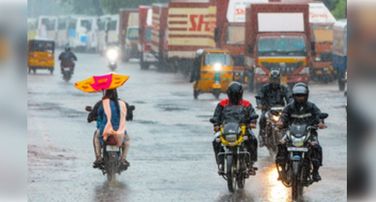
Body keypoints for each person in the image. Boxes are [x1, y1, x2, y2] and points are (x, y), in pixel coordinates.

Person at [275, 83, 327, 182]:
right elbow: (283, 117)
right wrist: (280, 123)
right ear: (294, 96)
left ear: (306, 95)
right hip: (291, 132)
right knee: (281, 144)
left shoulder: (312, 106)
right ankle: (282, 170)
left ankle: (315, 172)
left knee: (317, 147)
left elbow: (318, 115)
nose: (300, 98)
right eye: (298, 96)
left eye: (302, 95)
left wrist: (320, 123)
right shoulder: (289, 107)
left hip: (309, 133)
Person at [211, 82, 258, 175]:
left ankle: (251, 163)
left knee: (253, 139)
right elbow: (216, 115)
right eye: (232, 94)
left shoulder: (246, 104)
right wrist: (216, 124)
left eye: (236, 94)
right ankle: (220, 164)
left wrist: (252, 122)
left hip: (243, 129)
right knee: (215, 141)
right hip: (226, 129)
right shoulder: (222, 104)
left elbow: (253, 114)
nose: (234, 96)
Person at [92, 89, 130, 169]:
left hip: (106, 131)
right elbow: (127, 115)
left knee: (96, 137)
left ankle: (98, 158)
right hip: (120, 132)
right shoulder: (122, 103)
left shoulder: (103, 103)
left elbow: (99, 113)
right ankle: (123, 159)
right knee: (127, 141)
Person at [256, 70, 292, 146]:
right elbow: (259, 97)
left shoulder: (283, 88)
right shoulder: (264, 88)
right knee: (262, 118)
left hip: (281, 110)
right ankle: (262, 137)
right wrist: (259, 104)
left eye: (276, 79)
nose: (274, 81)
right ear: (270, 79)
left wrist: (291, 105)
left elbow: (289, 97)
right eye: (273, 79)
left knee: (289, 120)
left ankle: (290, 136)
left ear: (279, 79)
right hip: (268, 109)